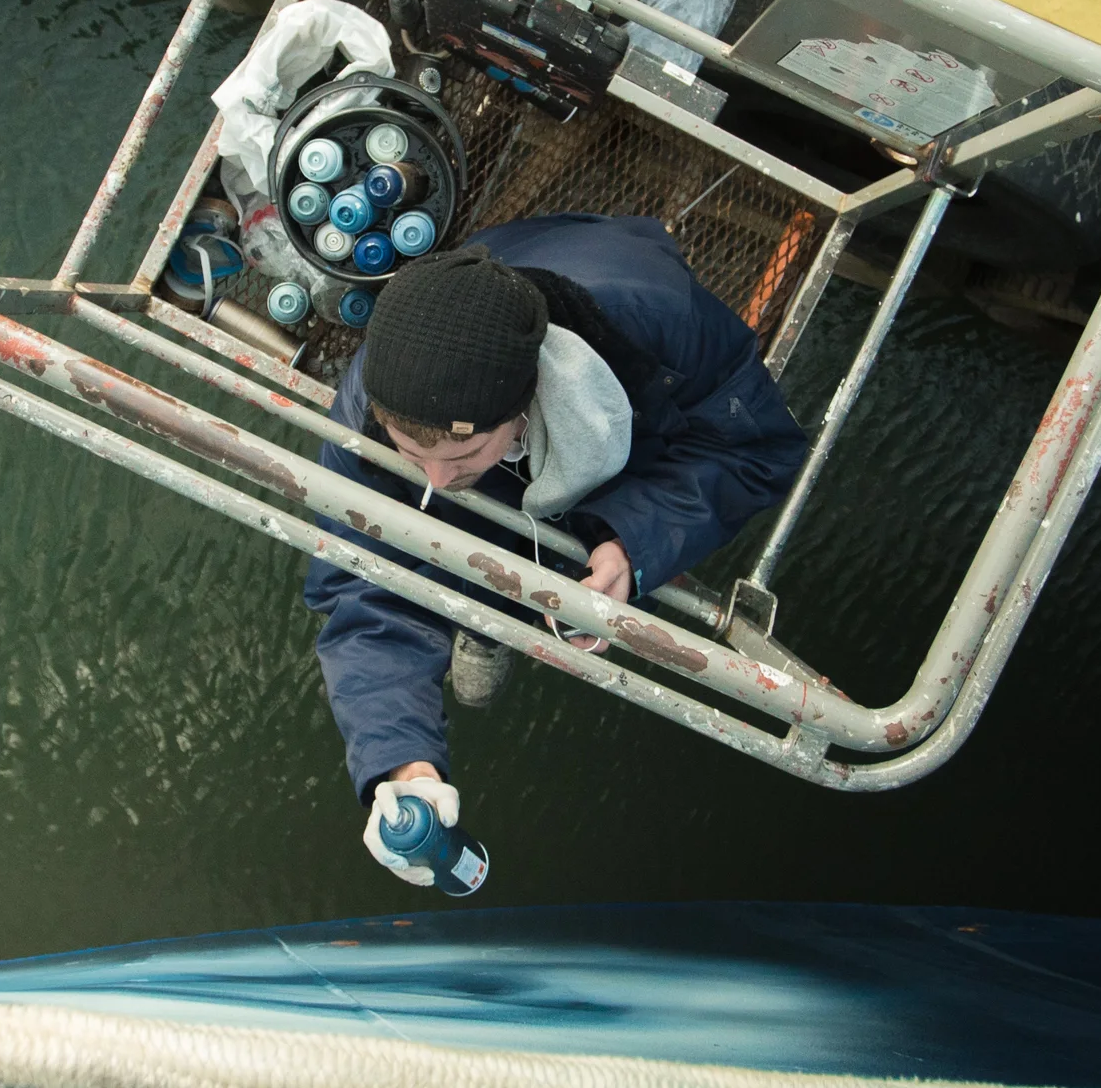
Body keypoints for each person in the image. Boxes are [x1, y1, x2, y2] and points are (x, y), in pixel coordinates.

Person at [302, 213, 808, 886]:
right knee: (446, 520)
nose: (433, 480)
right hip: (521, 360)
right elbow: (360, 588)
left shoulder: (654, 320)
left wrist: (630, 539)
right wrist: (403, 765)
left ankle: (515, 593)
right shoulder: (369, 403)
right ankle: (489, 608)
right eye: (410, 450)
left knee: (566, 528)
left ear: (527, 400)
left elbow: (755, 446)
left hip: (614, 306)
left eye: (462, 452)